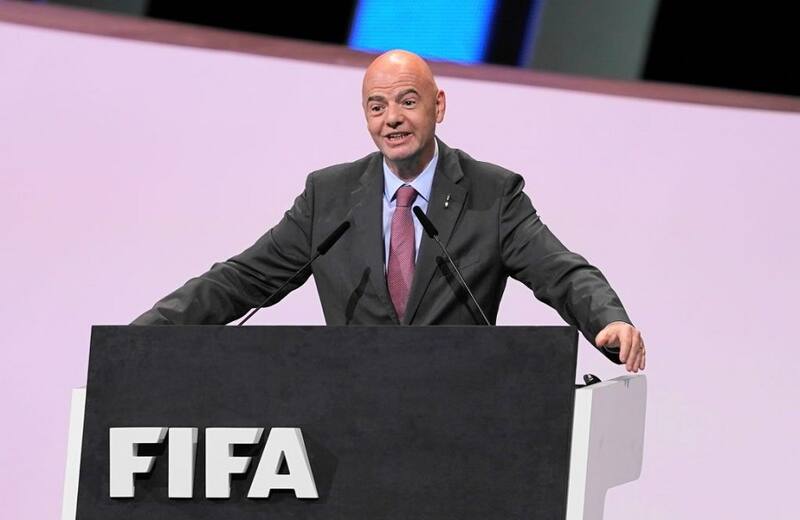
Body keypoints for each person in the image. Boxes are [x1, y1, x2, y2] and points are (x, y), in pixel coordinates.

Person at [133, 50, 646, 373]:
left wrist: (609, 320)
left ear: (438, 106)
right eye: (377, 107)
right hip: (350, 417)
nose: (392, 120)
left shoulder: (492, 194)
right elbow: (240, 281)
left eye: (407, 102)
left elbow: (561, 270)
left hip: (462, 419)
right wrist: (140, 337)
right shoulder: (328, 197)